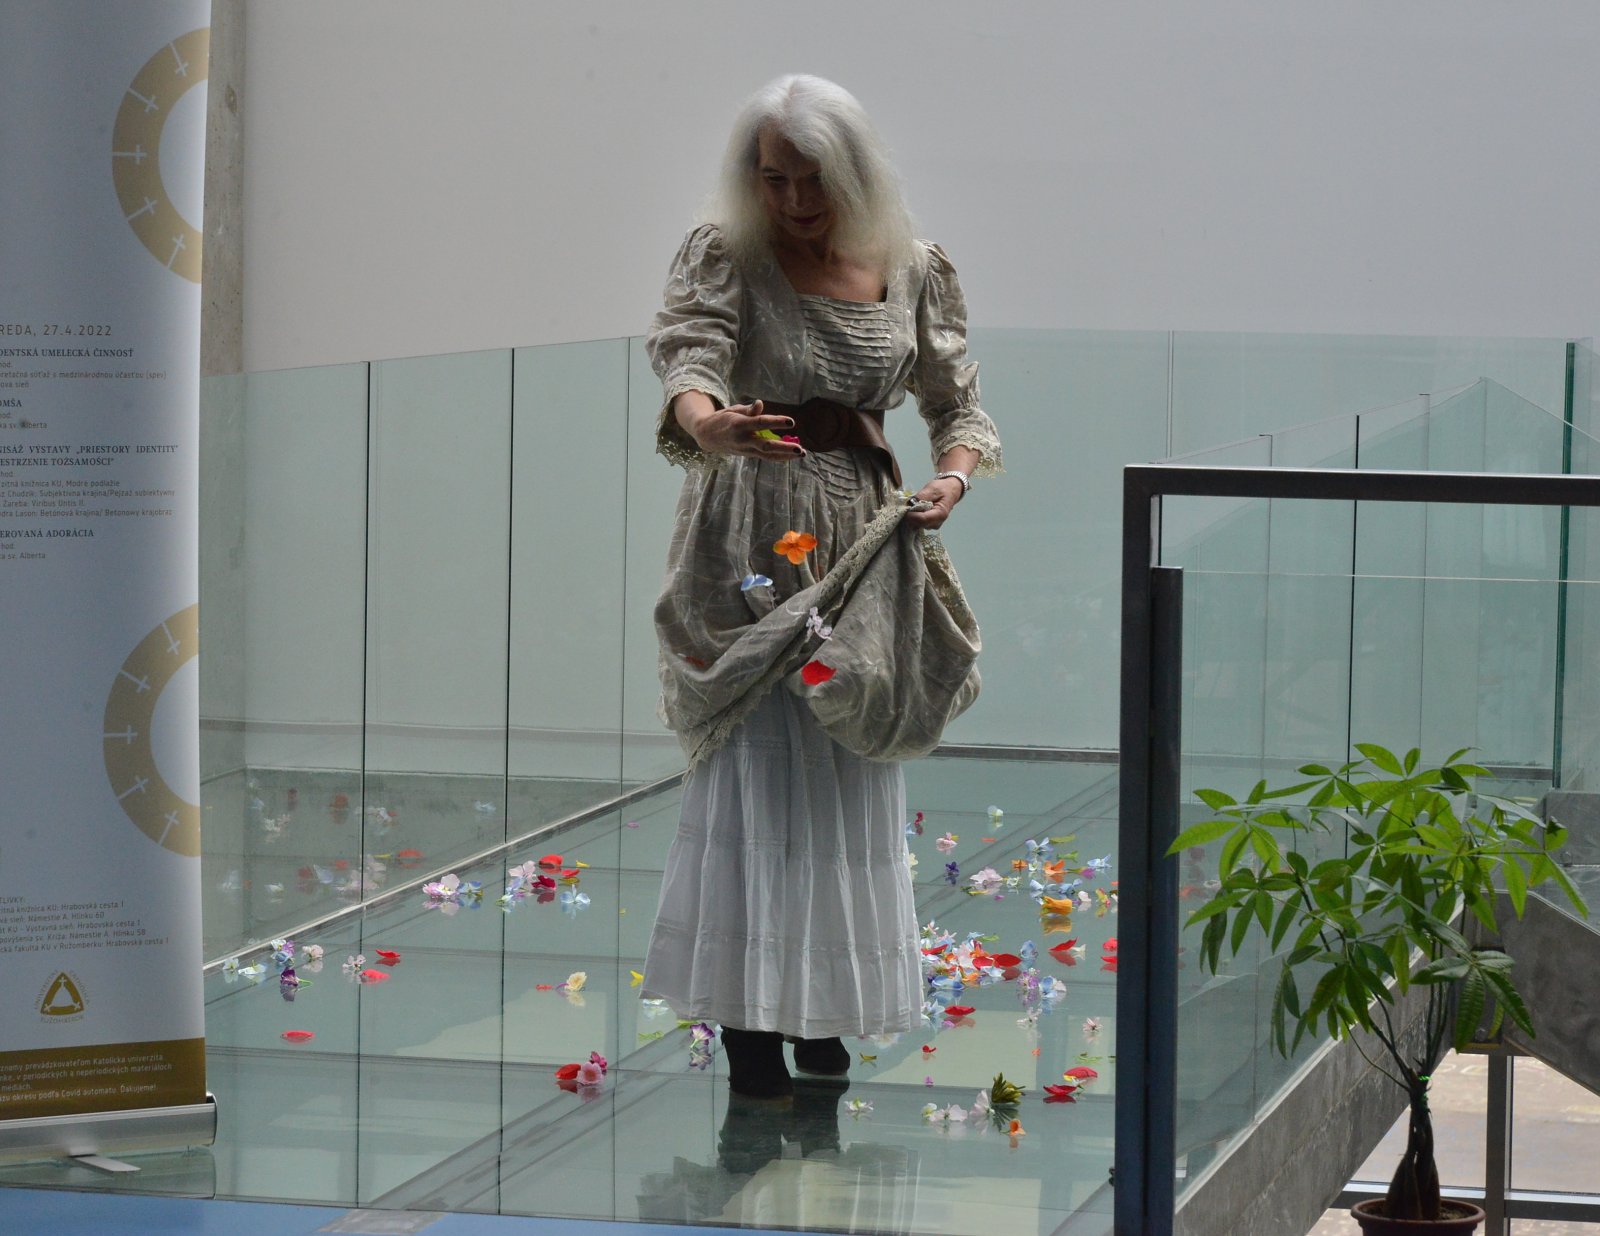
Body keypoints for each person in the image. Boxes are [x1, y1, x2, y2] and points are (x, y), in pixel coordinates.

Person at [640, 74, 1002, 1099]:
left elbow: (959, 408)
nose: (794, 200)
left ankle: (825, 1010)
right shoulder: (728, 253)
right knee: (757, 761)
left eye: (813, 179)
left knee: (844, 753)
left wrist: (950, 479)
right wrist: (708, 423)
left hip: (862, 529)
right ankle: (749, 1017)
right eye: (774, 179)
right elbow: (688, 356)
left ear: (854, 172)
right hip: (750, 530)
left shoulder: (914, 267)